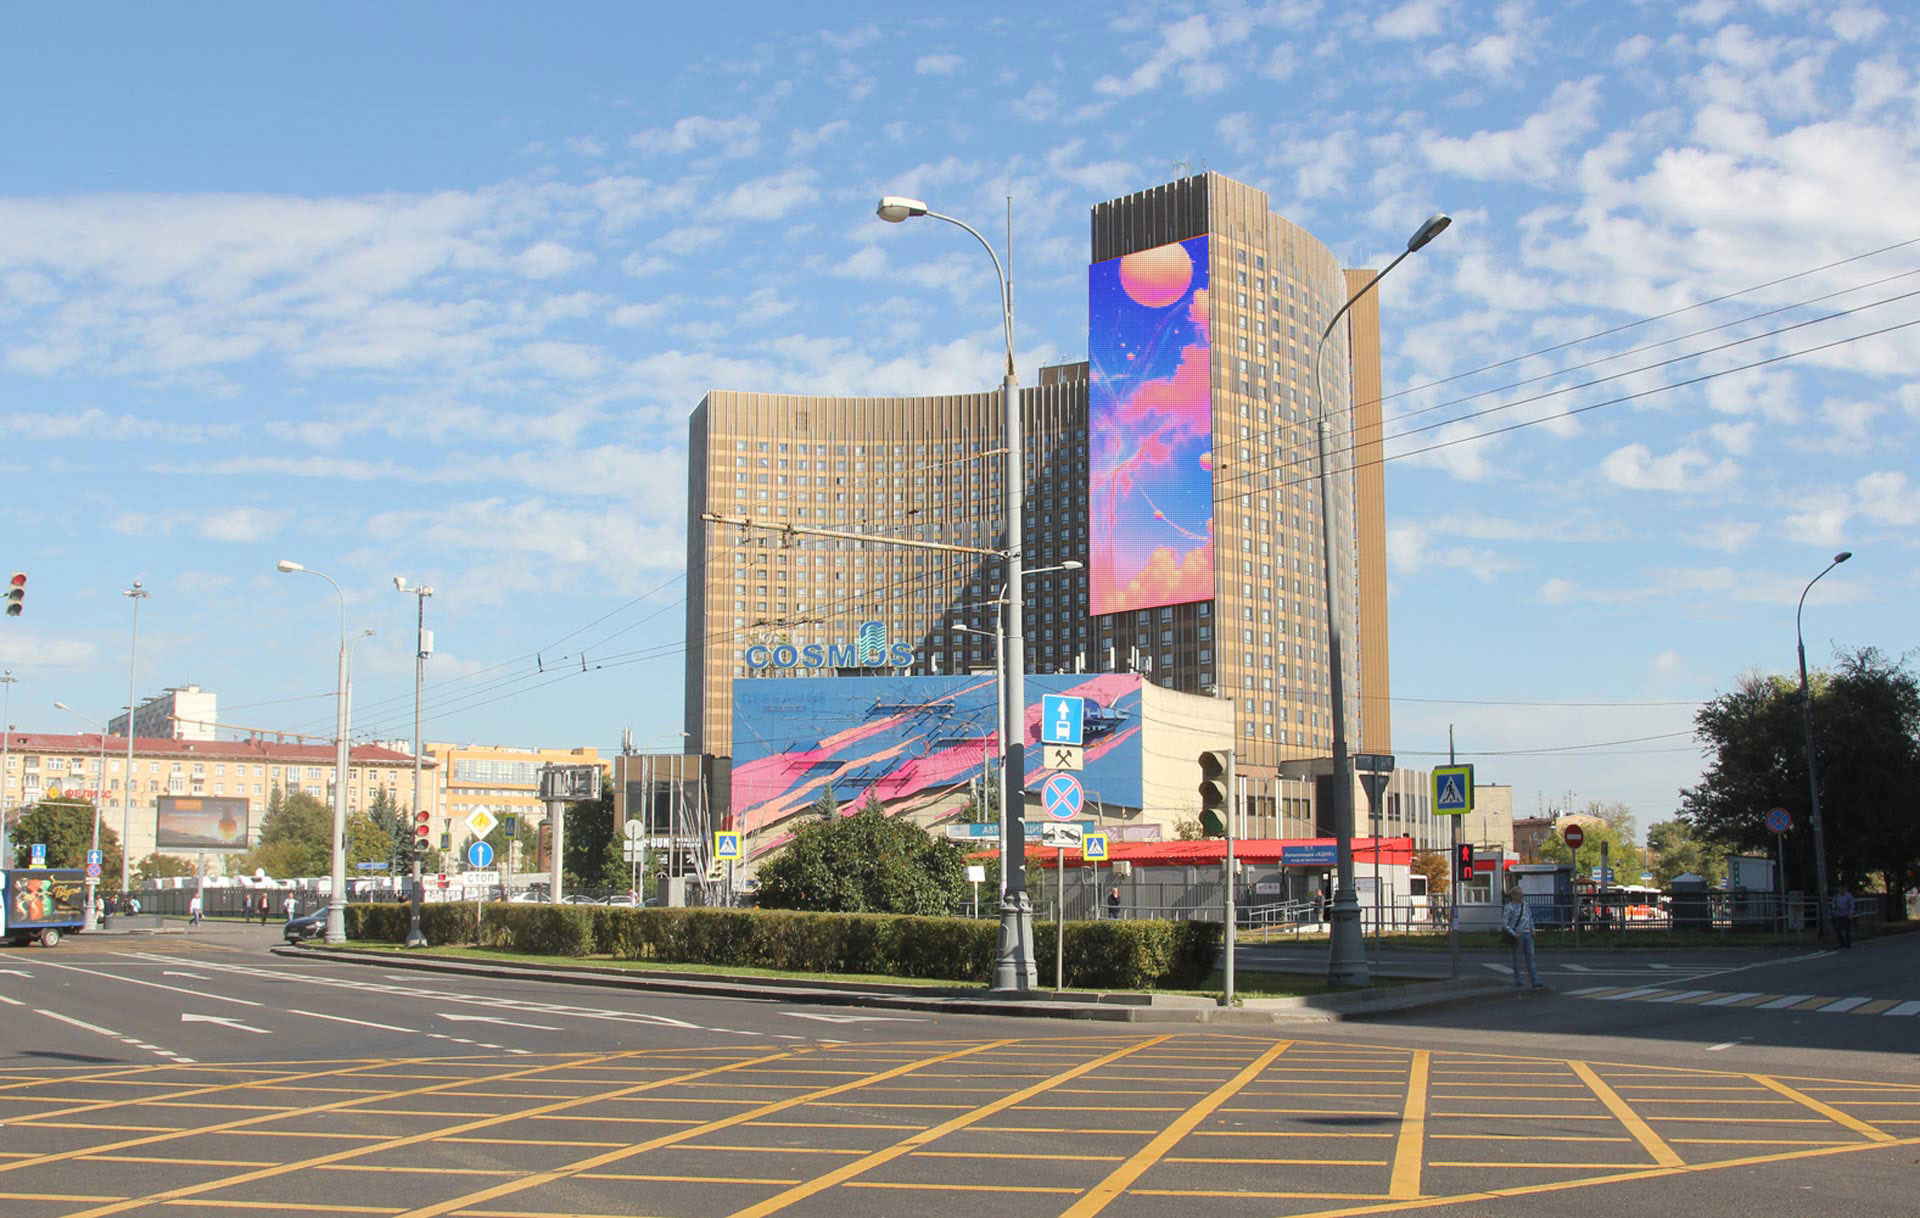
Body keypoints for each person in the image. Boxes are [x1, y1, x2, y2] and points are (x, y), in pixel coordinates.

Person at [1503, 885, 1543, 989]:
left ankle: (1535, 981)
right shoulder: (1509, 907)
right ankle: (1518, 980)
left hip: (1527, 934)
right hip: (1517, 935)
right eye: (1519, 894)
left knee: (1531, 959)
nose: (1522, 896)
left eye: (1522, 894)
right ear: (1514, 896)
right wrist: (1513, 933)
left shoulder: (1525, 905)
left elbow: (1529, 918)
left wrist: (1532, 930)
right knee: (1517, 959)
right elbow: (1505, 923)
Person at [1833, 885, 1856, 950]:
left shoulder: (1848, 896)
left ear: (1844, 889)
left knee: (1847, 930)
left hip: (1846, 915)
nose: (1839, 891)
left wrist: (1850, 913)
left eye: (1840, 890)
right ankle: (1842, 943)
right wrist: (1835, 907)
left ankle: (1848, 944)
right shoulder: (1836, 896)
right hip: (1838, 914)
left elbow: (1852, 905)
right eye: (1838, 890)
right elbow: (1833, 903)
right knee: (1837, 928)